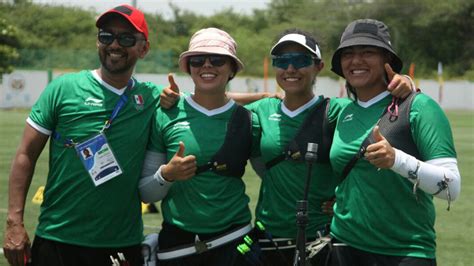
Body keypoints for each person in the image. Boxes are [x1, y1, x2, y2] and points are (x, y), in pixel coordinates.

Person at [2, 4, 162, 266]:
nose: (115, 45)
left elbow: (207, 100)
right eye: (106, 36)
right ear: (97, 41)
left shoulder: (152, 97)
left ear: (143, 48)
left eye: (126, 38)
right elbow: (25, 155)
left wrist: (256, 97)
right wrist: (14, 222)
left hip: (121, 243)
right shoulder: (63, 88)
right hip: (58, 239)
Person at [244, 29, 414, 266]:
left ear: (319, 66)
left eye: (301, 61)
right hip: (268, 235)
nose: (290, 69)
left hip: (322, 237)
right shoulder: (261, 109)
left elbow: (380, 104)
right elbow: (213, 103)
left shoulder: (337, 110)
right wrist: (260, 94)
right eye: (282, 62)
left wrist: (406, 82)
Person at [327, 19, 461, 265]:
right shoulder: (340, 111)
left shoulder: (420, 107)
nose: (356, 61)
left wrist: (396, 160)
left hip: (404, 252)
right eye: (348, 54)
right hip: (343, 246)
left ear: (386, 60)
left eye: (367, 52)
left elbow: (452, 188)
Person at [139, 27, 259, 266]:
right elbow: (146, 192)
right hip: (177, 247)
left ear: (232, 68)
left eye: (217, 60)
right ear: (188, 67)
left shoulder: (250, 120)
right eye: (197, 60)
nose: (207, 66)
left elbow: (275, 178)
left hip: (236, 243)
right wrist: (166, 175)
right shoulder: (164, 114)